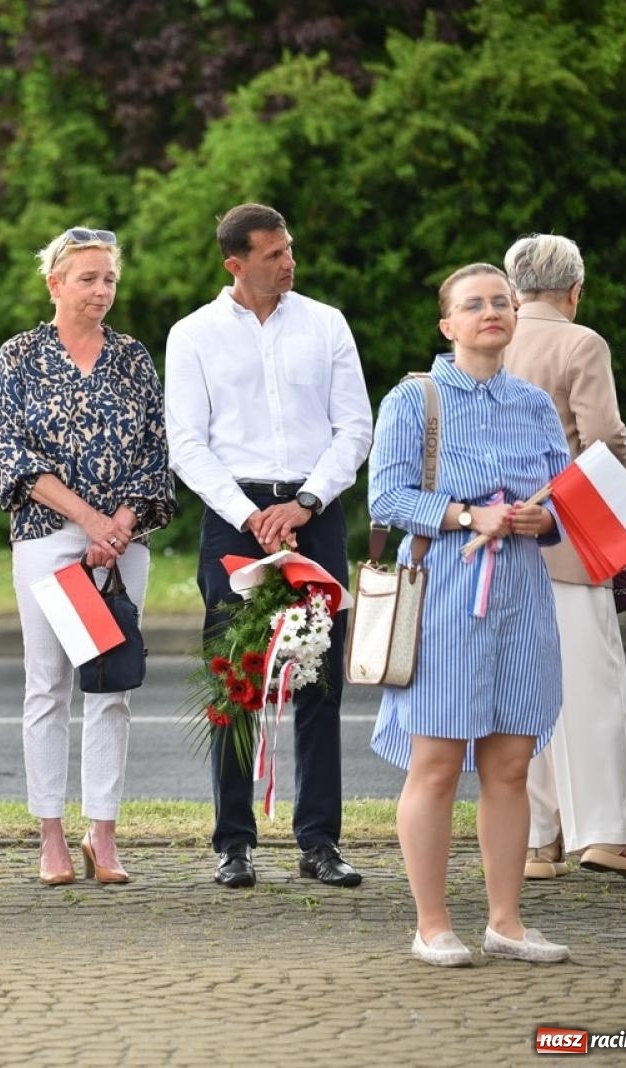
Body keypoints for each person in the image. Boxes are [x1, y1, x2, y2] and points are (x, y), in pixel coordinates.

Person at [368, 263, 573, 966]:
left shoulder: (535, 404)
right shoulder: (412, 399)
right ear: (447, 325)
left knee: (511, 765)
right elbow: (386, 500)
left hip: (521, 592)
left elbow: (564, 507)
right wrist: (465, 513)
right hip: (442, 590)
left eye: (502, 302)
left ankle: (506, 922)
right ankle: (431, 924)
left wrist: (540, 519)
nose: (491, 311)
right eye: (474, 304)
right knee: (436, 762)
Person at [163, 203, 373, 890]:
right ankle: (234, 842)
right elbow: (187, 444)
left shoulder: (326, 323)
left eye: (290, 248)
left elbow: (354, 429)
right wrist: (251, 515)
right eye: (273, 253)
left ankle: (319, 841)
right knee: (235, 681)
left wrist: (305, 503)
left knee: (317, 678)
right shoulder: (192, 334)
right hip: (235, 518)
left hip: (314, 512)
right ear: (236, 263)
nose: (288, 261)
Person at [0, 227, 175, 886]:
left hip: (123, 544)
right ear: (55, 284)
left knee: (112, 684)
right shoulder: (19, 357)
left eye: (109, 279)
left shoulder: (133, 357)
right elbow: (11, 455)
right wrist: (89, 520)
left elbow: (157, 453)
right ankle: (51, 837)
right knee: (47, 686)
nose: (101, 290)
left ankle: (103, 833)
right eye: (88, 278)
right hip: (49, 537)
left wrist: (119, 526)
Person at [503, 234, 626, 886]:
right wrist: (616, 519)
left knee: (528, 695)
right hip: (569, 543)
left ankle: (536, 841)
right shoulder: (582, 343)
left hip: (502, 546)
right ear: (574, 289)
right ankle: (608, 834)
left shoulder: (490, 340)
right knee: (594, 691)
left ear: (514, 285)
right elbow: (604, 441)